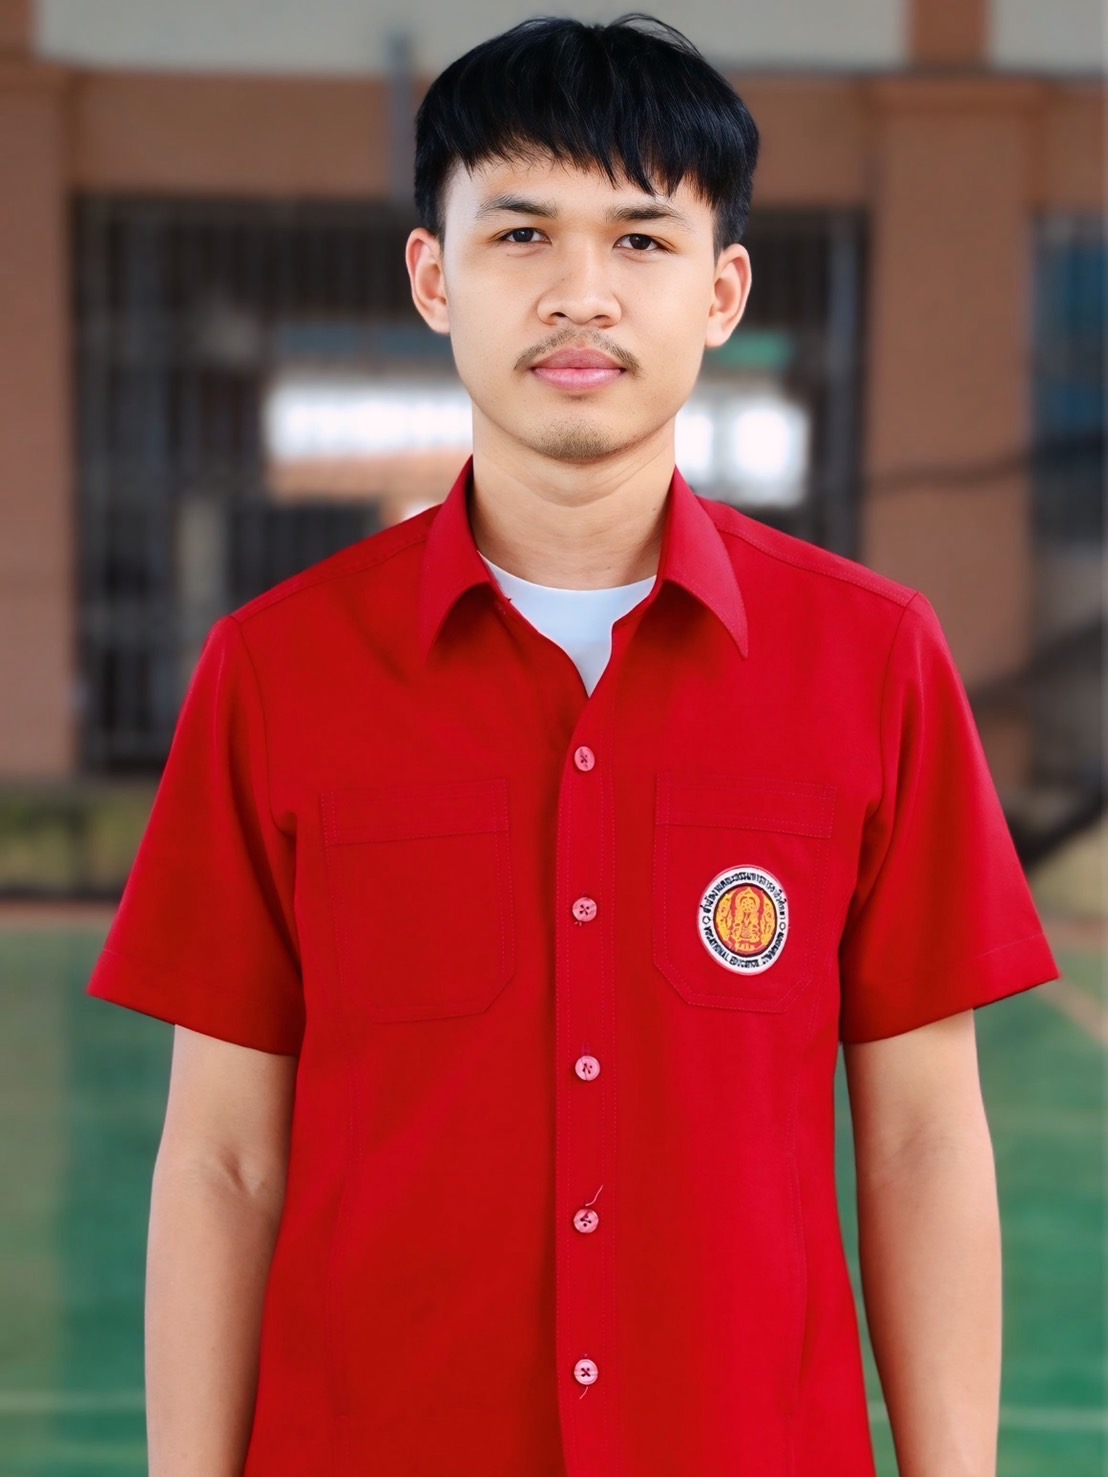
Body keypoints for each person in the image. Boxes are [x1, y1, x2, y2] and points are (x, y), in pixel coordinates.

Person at [85, 13, 1061, 1476]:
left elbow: (924, 1140)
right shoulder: (276, 674)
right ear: (435, 276)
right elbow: (222, 1158)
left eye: (642, 239)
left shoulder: (872, 663)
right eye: (523, 232)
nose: (581, 293)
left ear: (723, 291)